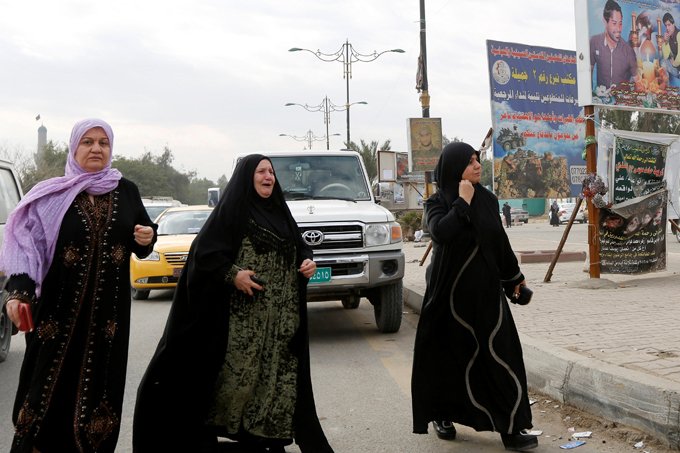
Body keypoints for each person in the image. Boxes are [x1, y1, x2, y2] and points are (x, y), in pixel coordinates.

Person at [133, 154, 334, 453]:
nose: (268, 177)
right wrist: (233, 274)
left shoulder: (280, 211)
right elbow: (204, 254)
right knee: (235, 384)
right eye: (261, 171)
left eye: (271, 172)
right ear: (246, 177)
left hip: (279, 323)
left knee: (274, 382)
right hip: (240, 324)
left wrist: (307, 260)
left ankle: (266, 436)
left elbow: (299, 243)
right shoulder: (233, 213)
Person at [0, 118, 157, 452]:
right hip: (57, 317)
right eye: (87, 142)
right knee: (46, 391)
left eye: (103, 142)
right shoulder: (51, 194)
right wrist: (19, 293)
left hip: (108, 321)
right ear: (74, 148)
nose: (96, 148)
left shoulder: (125, 190)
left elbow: (142, 235)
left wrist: (147, 238)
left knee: (100, 392)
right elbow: (26, 248)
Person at [411, 142, 537, 452]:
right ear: (455, 169)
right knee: (448, 359)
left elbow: (499, 242)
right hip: (449, 298)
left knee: (500, 355)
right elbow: (441, 233)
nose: (477, 165)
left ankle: (511, 428)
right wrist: (462, 203)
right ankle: (442, 414)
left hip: (486, 295)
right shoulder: (437, 202)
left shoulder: (489, 200)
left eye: (477, 160)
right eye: (469, 162)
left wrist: (515, 279)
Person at [589, 0, 637, 90]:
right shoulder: (594, 42)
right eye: (614, 23)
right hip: (600, 101)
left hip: (622, 102)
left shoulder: (629, 51)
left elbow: (638, 83)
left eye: (620, 23)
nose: (618, 29)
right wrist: (590, 96)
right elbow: (588, 72)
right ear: (605, 21)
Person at [660, 13, 680, 79]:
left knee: (663, 62)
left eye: (669, 25)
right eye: (666, 26)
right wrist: (665, 42)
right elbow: (666, 56)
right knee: (662, 61)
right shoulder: (669, 36)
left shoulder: (679, 34)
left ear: (673, 24)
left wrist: (674, 63)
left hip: (677, 66)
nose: (667, 28)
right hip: (677, 69)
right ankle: (667, 83)